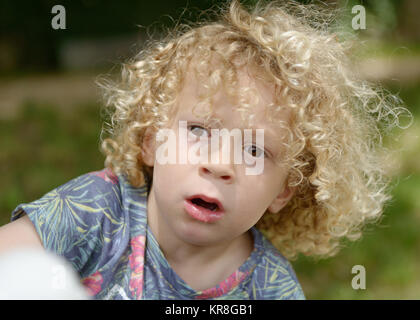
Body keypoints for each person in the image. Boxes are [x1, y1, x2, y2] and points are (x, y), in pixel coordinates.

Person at [0, 0, 409, 300]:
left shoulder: (268, 287)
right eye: (199, 130)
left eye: (253, 150)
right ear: (150, 140)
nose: (219, 164)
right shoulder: (96, 212)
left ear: (286, 190)